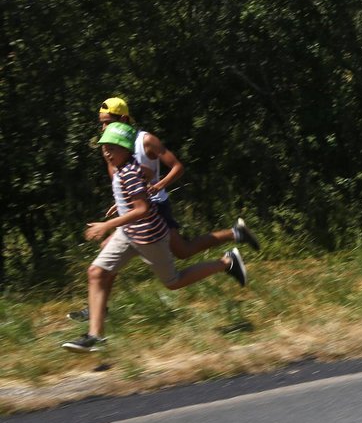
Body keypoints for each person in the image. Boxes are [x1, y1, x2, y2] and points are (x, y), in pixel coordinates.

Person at [68, 98, 260, 322]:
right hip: (136, 209)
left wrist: (158, 185)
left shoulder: (145, 140)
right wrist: (119, 202)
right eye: (101, 123)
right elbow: (121, 181)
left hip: (154, 207)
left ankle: (232, 246)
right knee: (174, 252)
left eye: (107, 122)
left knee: (181, 254)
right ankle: (235, 237)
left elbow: (177, 167)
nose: (103, 128)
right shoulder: (110, 145)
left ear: (124, 119)